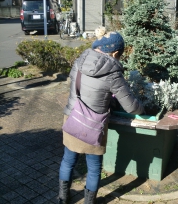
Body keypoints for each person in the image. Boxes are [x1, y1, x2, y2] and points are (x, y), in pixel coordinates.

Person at [58, 28, 144, 204]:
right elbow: (131, 107)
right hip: (92, 125)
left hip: (72, 118)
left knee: (68, 161)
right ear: (114, 52)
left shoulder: (80, 60)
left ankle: (62, 198)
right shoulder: (113, 73)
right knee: (94, 168)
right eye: (119, 54)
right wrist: (142, 108)